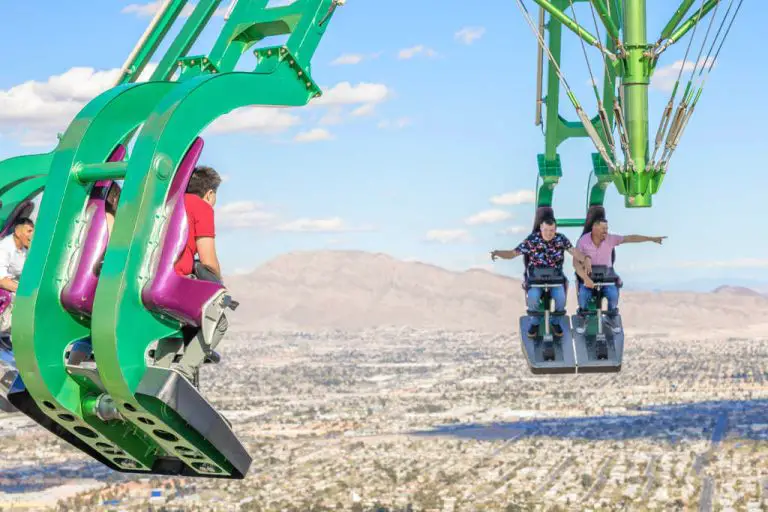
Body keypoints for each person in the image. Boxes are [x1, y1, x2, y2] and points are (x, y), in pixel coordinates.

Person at [168, 165, 228, 383]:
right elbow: (208, 261)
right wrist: (219, 289)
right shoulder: (201, 207)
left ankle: (162, 370)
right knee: (219, 319)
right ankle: (183, 374)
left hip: (150, 282)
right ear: (210, 193)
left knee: (170, 323)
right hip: (174, 283)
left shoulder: (169, 204)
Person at [491, 216, 589, 339]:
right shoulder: (532, 240)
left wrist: (585, 259)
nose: (549, 233)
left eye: (552, 230)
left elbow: (574, 251)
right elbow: (512, 253)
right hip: (536, 279)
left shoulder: (561, 239)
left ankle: (555, 322)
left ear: (555, 229)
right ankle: (535, 323)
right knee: (533, 297)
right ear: (541, 229)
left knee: (561, 299)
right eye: (546, 230)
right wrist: (498, 253)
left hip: (555, 278)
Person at [574, 215, 665, 318]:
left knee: (613, 295)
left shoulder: (610, 239)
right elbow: (575, 263)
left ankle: (610, 317)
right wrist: (585, 278)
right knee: (583, 295)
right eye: (603, 229)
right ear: (594, 228)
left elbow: (631, 238)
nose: (606, 231)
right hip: (588, 276)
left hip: (606, 277)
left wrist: (651, 239)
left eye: (607, 229)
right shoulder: (583, 241)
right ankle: (583, 317)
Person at [0, 218, 34, 333]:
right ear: (18, 232)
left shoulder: (25, 250)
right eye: (29, 231)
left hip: (12, 286)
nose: (32, 235)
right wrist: (27, 291)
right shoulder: (4, 247)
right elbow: (1, 280)